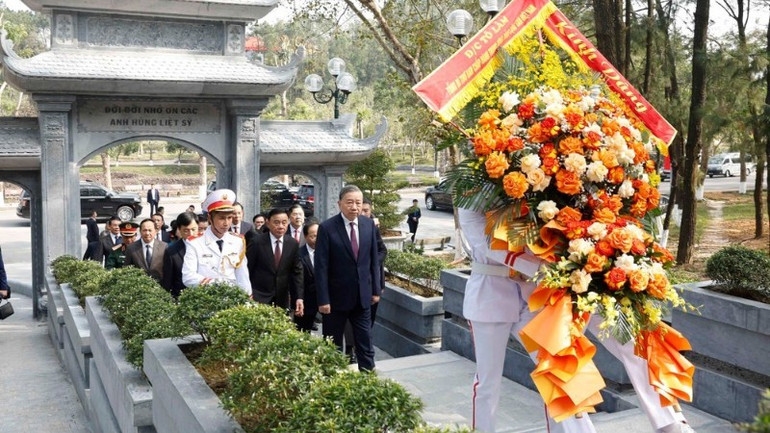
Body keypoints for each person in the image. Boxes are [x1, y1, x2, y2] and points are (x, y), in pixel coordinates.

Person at [459, 207, 596, 433]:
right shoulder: (469, 198)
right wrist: (541, 268)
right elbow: (489, 245)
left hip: (532, 296)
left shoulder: (520, 194)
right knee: (487, 382)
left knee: (556, 370)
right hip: (489, 295)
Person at [315, 185, 381, 372]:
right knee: (332, 345)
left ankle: (368, 377)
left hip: (362, 297)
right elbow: (321, 267)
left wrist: (376, 290)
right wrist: (323, 299)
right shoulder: (327, 228)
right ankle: (332, 378)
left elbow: (374, 261)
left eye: (358, 203)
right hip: (335, 299)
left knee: (365, 341)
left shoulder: (368, 225)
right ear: (339, 204)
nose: (354, 207)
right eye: (350, 202)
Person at [182, 189, 251, 296]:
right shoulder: (195, 242)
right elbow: (188, 277)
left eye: (229, 218)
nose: (226, 223)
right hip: (206, 299)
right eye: (221, 218)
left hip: (232, 299)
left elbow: (243, 276)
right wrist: (218, 284)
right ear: (210, 218)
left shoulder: (237, 241)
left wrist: (247, 297)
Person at [246, 208, 303, 314]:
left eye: (284, 222)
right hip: (259, 296)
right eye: (276, 222)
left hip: (282, 299)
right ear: (268, 223)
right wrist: (248, 293)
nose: (280, 226)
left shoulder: (292, 244)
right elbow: (247, 269)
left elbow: (297, 272)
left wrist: (299, 297)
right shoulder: (257, 242)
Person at [361, 197, 386, 327]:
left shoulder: (373, 227)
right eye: (361, 210)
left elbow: (383, 251)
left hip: (372, 281)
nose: (363, 213)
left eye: (366, 210)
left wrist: (379, 286)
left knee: (369, 321)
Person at [161, 212, 198, 298]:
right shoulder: (171, 251)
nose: (191, 234)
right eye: (186, 230)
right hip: (182, 298)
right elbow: (168, 280)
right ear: (179, 230)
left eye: (193, 229)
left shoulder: (208, 246)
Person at [294, 220, 319, 332]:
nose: (316, 239)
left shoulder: (328, 252)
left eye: (319, 236)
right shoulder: (298, 254)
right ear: (305, 236)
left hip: (326, 300)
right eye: (313, 236)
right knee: (303, 330)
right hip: (306, 300)